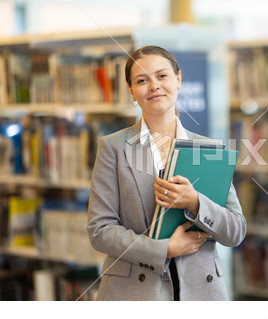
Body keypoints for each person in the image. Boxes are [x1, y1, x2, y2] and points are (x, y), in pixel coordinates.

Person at [87, 45, 246, 301]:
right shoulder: (113, 148)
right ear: (131, 91)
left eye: (162, 76)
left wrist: (195, 203)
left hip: (201, 291)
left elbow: (236, 231)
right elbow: (100, 230)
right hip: (135, 294)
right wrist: (163, 250)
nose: (154, 86)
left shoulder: (209, 149)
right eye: (142, 80)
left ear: (178, 80)